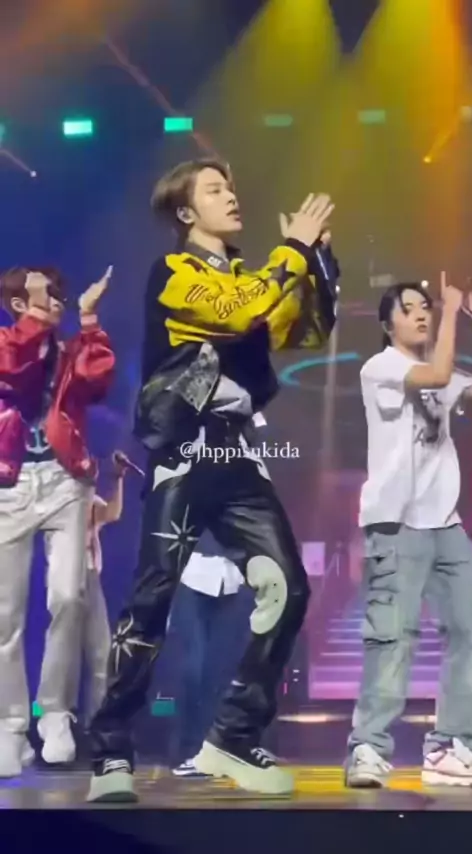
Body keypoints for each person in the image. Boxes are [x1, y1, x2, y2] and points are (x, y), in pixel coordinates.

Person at [87, 157, 338, 802]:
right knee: (152, 602)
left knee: (288, 586)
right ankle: (110, 751)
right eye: (215, 189)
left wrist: (316, 262)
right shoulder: (174, 271)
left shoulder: (251, 277)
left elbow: (303, 328)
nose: (231, 196)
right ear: (185, 211)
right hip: (185, 449)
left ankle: (233, 734)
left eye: (230, 185)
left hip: (237, 454)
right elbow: (234, 313)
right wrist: (291, 250)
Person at [345, 277, 472, 789]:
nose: (422, 313)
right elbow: (438, 372)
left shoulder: (441, 375)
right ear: (387, 324)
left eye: (427, 306)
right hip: (395, 524)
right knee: (392, 638)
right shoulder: (380, 368)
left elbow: (459, 380)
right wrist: (452, 309)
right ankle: (368, 748)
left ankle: (453, 747)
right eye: (409, 308)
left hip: (446, 526)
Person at [0, 265, 114, 777]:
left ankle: (56, 714)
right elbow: (14, 365)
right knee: (5, 614)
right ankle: (10, 726)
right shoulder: (6, 343)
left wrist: (89, 319)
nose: (56, 302)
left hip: (66, 482)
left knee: (69, 596)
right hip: (10, 485)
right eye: (45, 295)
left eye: (58, 296)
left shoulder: (68, 352)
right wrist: (37, 318)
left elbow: (98, 380)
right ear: (18, 305)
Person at [36, 450, 133, 744]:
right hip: (65, 578)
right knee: (65, 654)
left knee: (101, 653)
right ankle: (58, 722)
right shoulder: (55, 499)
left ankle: (95, 725)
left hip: (90, 579)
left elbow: (112, 514)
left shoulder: (89, 501)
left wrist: (118, 479)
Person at [169, 530, 252, 777]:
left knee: (221, 670)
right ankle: (188, 746)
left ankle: (214, 748)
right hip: (192, 575)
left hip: (234, 577)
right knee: (193, 667)